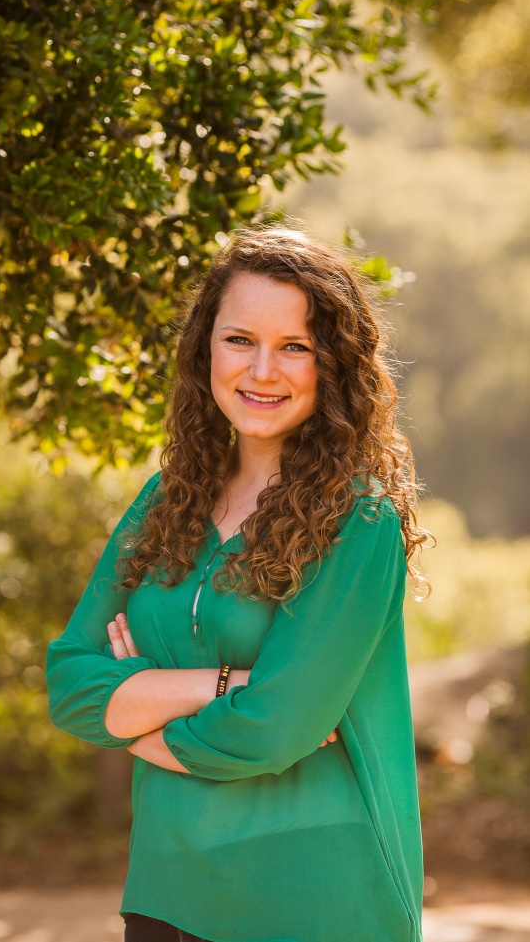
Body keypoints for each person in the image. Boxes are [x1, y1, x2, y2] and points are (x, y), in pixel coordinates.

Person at [46, 224, 431, 942]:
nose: (262, 371)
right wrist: (222, 684)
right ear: (204, 350)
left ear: (335, 362)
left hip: (313, 893)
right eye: (239, 339)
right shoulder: (165, 498)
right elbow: (70, 685)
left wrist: (138, 717)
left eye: (295, 346)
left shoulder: (359, 519)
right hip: (167, 884)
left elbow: (274, 728)